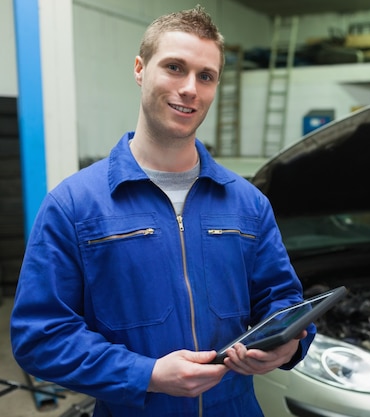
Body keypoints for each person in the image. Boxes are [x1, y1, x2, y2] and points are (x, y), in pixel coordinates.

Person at [10, 6, 315, 417]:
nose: (190, 88)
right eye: (174, 67)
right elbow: (40, 336)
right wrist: (146, 374)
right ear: (140, 68)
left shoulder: (248, 204)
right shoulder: (74, 205)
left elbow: (281, 300)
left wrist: (289, 343)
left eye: (206, 76)